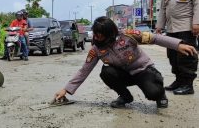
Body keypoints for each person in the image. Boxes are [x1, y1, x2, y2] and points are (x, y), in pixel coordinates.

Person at [54, 16, 197, 108]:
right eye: (95, 34)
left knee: (153, 93)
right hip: (124, 74)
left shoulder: (128, 35)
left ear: (110, 33)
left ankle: (160, 94)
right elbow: (83, 71)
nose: (96, 38)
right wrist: (66, 89)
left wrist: (178, 45)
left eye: (100, 35)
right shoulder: (96, 49)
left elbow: (155, 38)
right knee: (106, 72)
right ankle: (125, 97)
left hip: (143, 70)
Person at [156, 0, 199, 95]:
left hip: (186, 27)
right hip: (171, 28)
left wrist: (196, 23)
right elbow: (163, 7)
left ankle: (188, 85)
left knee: (186, 57)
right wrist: (159, 26)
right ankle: (179, 81)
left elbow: (198, 3)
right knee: (173, 56)